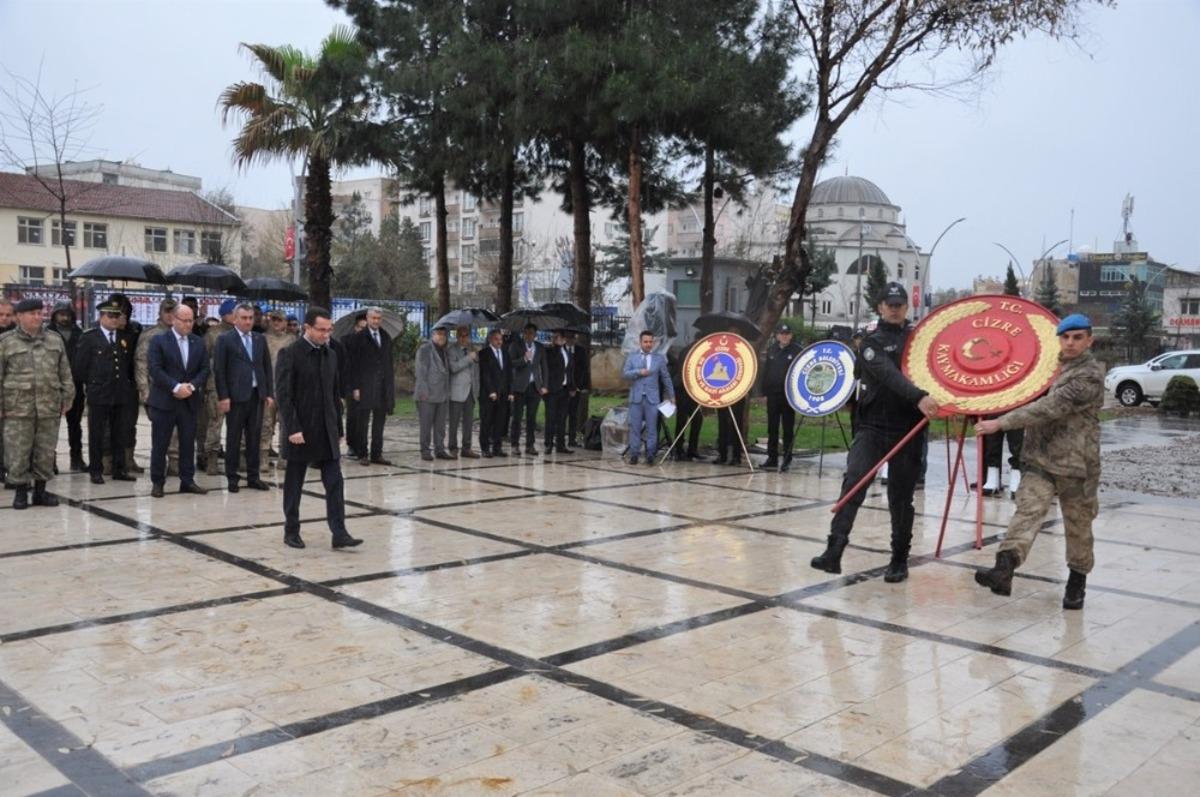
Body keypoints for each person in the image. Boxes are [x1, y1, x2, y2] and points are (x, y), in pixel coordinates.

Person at [972, 314, 1104, 610]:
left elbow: (1050, 407)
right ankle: (1004, 570)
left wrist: (1000, 423)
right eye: (1066, 337)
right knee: (1027, 512)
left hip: (1076, 465)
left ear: (1089, 340)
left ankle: (1076, 582)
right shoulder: (1050, 368)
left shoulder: (1090, 375)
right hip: (1040, 459)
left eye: (1078, 337)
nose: (1070, 343)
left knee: (1078, 526)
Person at [811, 283, 940, 582]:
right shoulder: (870, 343)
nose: (894, 309)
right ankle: (835, 550)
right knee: (853, 484)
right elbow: (888, 375)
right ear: (880, 307)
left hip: (907, 428)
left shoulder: (918, 341)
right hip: (872, 427)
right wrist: (920, 395)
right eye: (889, 304)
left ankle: (899, 559)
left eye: (900, 304)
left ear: (907, 307)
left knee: (900, 497)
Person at [275, 307, 362, 550]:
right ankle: (291, 530)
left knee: (335, 481)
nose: (326, 334)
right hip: (300, 430)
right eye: (322, 330)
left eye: (329, 330)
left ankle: (339, 532)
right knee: (294, 483)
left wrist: (338, 427)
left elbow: (334, 396)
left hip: (326, 429)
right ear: (307, 328)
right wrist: (292, 428)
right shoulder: (289, 354)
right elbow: (284, 396)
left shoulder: (331, 355)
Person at [0, 298, 74, 508]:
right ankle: (21, 492)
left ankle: (41, 492)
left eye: (39, 313)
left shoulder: (54, 340)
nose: (36, 317)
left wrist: (68, 396)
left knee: (45, 451)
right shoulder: (6, 342)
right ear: (19, 317)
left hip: (48, 406)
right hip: (17, 408)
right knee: (18, 452)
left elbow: (65, 371)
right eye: (31, 313)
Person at [146, 304, 209, 498]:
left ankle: (187, 480)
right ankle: (158, 482)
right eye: (184, 320)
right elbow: (155, 369)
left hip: (189, 401)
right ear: (173, 319)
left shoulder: (198, 342)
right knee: (160, 443)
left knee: (188, 443)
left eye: (191, 320)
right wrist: (175, 387)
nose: (188, 324)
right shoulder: (159, 341)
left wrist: (190, 387)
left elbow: (205, 369)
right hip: (165, 401)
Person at [74, 299, 138, 485]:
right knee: (97, 433)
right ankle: (96, 469)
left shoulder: (123, 338)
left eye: (117, 316)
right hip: (99, 393)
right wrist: (94, 383)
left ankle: (119, 469)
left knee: (120, 432)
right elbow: (80, 368)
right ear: (101, 316)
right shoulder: (89, 337)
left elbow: (127, 366)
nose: (114, 320)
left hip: (119, 393)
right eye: (110, 316)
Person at [214, 303, 273, 492]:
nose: (248, 321)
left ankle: (253, 476)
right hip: (236, 396)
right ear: (235, 318)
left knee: (254, 438)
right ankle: (232, 477)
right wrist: (224, 396)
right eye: (244, 318)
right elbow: (219, 370)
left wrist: (268, 392)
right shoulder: (225, 340)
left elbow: (266, 367)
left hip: (256, 395)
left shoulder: (259, 339)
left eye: (250, 318)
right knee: (234, 437)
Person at [135, 299, 179, 476]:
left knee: (178, 432)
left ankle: (175, 464)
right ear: (160, 313)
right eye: (167, 311)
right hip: (157, 392)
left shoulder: (181, 334)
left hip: (179, 392)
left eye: (173, 312)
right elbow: (141, 364)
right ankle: (159, 470)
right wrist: (145, 392)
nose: (170, 315)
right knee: (161, 434)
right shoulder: (151, 335)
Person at [347, 307, 395, 466]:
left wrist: (389, 387)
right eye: (373, 318)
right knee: (363, 422)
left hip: (382, 387)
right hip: (364, 386)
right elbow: (353, 365)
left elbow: (388, 363)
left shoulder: (386, 337)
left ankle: (377, 453)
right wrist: (355, 387)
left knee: (379, 422)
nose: (376, 321)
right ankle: (362, 453)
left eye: (378, 318)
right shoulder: (359, 338)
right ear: (367, 319)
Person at [623, 330, 673, 466]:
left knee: (652, 428)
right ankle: (634, 454)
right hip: (636, 398)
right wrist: (638, 372)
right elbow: (625, 374)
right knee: (635, 427)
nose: (648, 344)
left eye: (650, 342)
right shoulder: (632, 357)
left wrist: (672, 395)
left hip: (652, 399)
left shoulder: (659, 358)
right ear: (640, 342)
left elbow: (666, 377)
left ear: (653, 343)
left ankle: (650, 454)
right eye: (645, 342)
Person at [49, 301, 87, 473]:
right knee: (50, 427)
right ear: (55, 315)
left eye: (67, 314)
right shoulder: (47, 334)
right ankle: (49, 461)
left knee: (75, 425)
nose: (64, 317)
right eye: (61, 314)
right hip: (52, 386)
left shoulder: (80, 334)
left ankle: (77, 459)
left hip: (75, 385)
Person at [202, 300, 236, 475]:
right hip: (215, 386)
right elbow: (202, 358)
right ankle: (211, 459)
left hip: (237, 387)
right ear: (225, 314)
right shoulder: (213, 334)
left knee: (237, 424)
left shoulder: (241, 333)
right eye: (233, 312)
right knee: (215, 423)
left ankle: (237, 457)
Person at [762, 324, 802, 471]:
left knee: (787, 428)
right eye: (781, 333)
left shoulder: (797, 351)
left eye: (787, 333)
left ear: (791, 335)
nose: (784, 336)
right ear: (777, 335)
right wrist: (764, 392)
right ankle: (772, 457)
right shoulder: (772, 350)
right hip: (773, 395)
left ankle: (787, 457)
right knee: (772, 428)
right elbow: (766, 372)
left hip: (788, 396)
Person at [508, 323, 548, 455]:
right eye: (526, 332)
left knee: (532, 418)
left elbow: (544, 367)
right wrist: (524, 359)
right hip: (519, 387)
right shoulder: (516, 345)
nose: (528, 335)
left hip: (534, 387)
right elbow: (510, 363)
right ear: (523, 333)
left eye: (531, 333)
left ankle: (530, 445)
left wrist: (544, 385)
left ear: (535, 335)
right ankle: (515, 445)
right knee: (517, 418)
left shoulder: (540, 347)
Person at [414, 325, 452, 462]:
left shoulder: (444, 350)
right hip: (427, 394)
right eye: (439, 334)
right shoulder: (425, 349)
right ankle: (425, 450)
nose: (442, 337)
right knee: (426, 424)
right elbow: (420, 372)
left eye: (444, 334)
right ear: (433, 335)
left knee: (440, 425)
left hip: (442, 394)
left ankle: (440, 449)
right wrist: (423, 392)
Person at [260, 309, 293, 469]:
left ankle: (283, 456)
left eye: (280, 320)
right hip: (268, 388)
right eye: (274, 320)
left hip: (285, 389)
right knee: (266, 425)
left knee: (285, 425)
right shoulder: (262, 339)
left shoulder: (291, 340)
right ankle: (263, 458)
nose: (276, 323)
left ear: (285, 322)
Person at [447, 325, 480, 458]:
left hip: (471, 392)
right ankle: (453, 447)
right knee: (454, 422)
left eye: (466, 335)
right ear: (456, 336)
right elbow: (453, 368)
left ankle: (467, 448)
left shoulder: (473, 349)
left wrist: (476, 357)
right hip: (457, 391)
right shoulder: (451, 350)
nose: (463, 338)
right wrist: (468, 358)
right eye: (461, 335)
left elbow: (476, 371)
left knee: (468, 422)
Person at [477, 328, 511, 458]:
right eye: (496, 339)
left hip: (503, 394)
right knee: (486, 421)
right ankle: (485, 447)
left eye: (500, 339)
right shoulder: (484, 353)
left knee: (499, 422)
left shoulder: (505, 353)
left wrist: (510, 391)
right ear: (490, 339)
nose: (499, 342)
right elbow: (485, 374)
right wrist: (491, 391)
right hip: (488, 395)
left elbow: (508, 373)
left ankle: (497, 447)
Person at [669, 341, 705, 462]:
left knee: (697, 418)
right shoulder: (689, 351)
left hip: (691, 390)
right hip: (682, 388)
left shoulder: (697, 350)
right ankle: (679, 449)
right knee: (682, 419)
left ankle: (692, 449)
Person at [543, 330, 577, 455]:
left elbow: (570, 371)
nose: (555, 339)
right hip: (552, 390)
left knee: (562, 418)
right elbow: (549, 366)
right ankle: (548, 444)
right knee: (550, 418)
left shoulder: (567, 353)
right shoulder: (550, 352)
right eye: (554, 337)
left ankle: (561, 445)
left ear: (564, 339)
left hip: (564, 389)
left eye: (558, 337)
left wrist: (572, 387)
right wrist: (555, 345)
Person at [564, 330, 590, 448]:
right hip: (563, 388)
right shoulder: (561, 349)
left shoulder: (580, 351)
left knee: (575, 415)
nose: (570, 340)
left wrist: (582, 386)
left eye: (572, 338)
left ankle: (573, 439)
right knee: (561, 414)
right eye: (568, 337)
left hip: (577, 388)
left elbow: (584, 370)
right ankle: (558, 438)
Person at [0, 297, 14, 486]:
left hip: (13, 395)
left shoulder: (16, 337)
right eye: (1, 315)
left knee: (11, 437)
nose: (4, 318)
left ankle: (9, 471)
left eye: (8, 315)